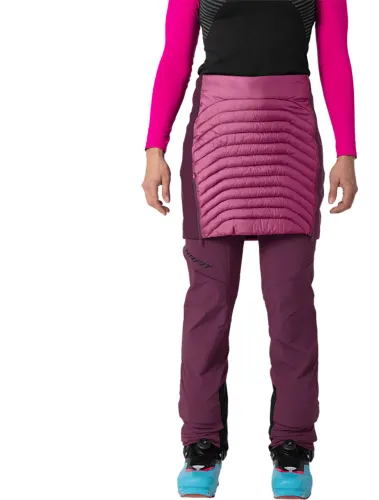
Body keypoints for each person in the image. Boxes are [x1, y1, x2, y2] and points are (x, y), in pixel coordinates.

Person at [142, 0, 358, 497]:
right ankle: (201, 444)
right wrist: (155, 147)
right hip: (215, 142)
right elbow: (175, 56)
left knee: (290, 308)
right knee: (208, 309)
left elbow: (335, 57)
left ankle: (293, 446)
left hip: (291, 143)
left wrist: (347, 151)